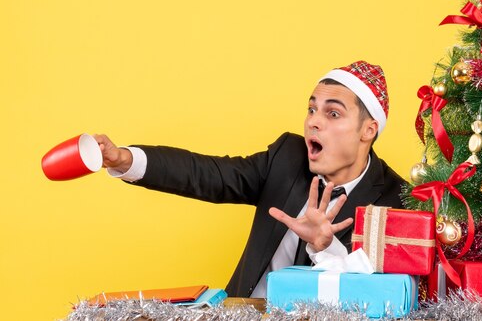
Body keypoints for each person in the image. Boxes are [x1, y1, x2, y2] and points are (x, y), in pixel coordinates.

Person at [95, 60, 405, 298]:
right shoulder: (287, 157)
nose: (314, 122)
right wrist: (125, 159)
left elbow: (374, 298)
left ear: (369, 130)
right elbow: (207, 174)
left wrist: (325, 248)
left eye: (333, 114)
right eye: (311, 109)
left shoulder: (397, 200)